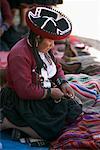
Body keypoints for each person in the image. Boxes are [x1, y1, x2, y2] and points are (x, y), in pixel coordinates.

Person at [0, 6, 82, 145]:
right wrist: (49, 93)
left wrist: (63, 83)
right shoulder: (19, 54)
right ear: (38, 38)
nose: (52, 45)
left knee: (73, 110)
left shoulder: (43, 48)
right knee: (51, 131)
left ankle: (23, 126)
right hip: (20, 100)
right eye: (50, 41)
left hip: (40, 93)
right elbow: (24, 90)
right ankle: (9, 122)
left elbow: (57, 68)